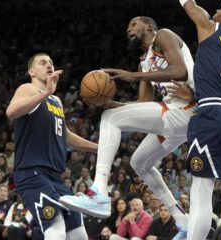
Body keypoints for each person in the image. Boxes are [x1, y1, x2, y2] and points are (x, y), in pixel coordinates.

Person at [60, 16, 195, 233]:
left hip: (188, 109)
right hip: (175, 118)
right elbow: (143, 104)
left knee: (111, 119)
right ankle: (182, 220)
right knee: (139, 162)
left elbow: (180, 71)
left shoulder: (163, 35)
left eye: (133, 24)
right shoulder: (144, 61)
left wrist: (132, 76)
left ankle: (99, 193)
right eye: (127, 27)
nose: (128, 29)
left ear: (149, 26)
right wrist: (107, 102)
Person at [174, 1, 221, 239]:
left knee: (200, 189)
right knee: (201, 187)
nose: (217, 9)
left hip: (210, 113)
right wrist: (202, 94)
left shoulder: (211, 27)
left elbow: (189, 4)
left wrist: (205, 98)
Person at [6, 52, 98, 240]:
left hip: (55, 177)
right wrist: (46, 92)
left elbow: (65, 135)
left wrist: (98, 148)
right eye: (42, 62)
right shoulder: (28, 89)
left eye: (51, 62)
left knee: (78, 233)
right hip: (32, 172)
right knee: (56, 228)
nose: (49, 65)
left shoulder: (55, 101)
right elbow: (11, 111)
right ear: (31, 71)